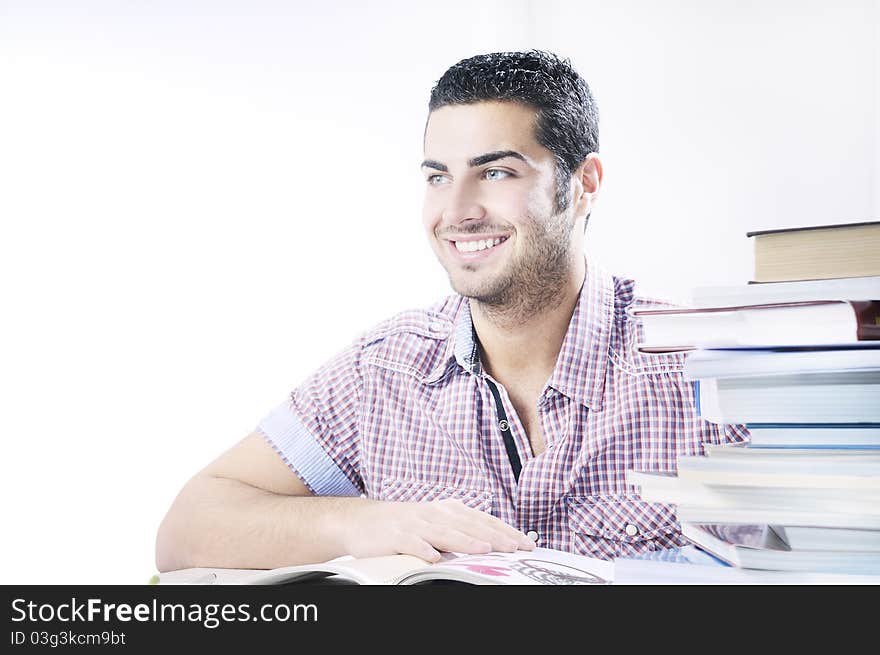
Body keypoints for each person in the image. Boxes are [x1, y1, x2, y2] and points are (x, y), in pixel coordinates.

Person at [155, 50, 747, 573]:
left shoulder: (709, 371)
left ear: (585, 182)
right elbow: (188, 528)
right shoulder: (383, 370)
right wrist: (364, 523)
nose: (458, 211)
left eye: (496, 172)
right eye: (439, 177)